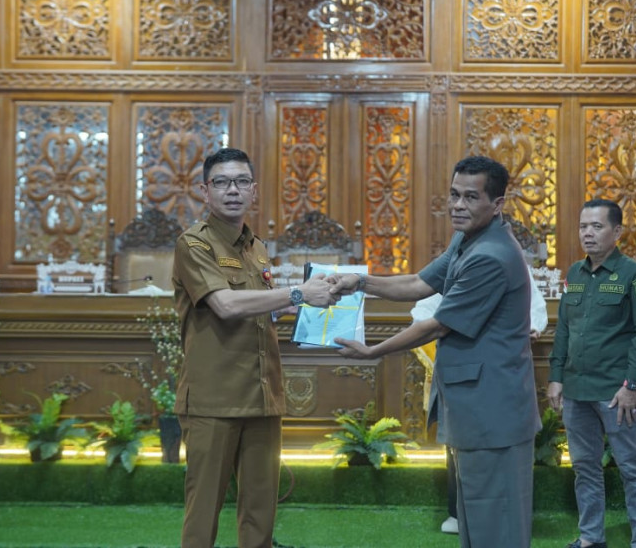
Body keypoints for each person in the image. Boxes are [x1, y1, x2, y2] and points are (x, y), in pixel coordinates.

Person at [329, 155, 541, 548]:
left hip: (492, 410)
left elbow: (437, 323)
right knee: (476, 520)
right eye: (454, 194)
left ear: (497, 204)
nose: (458, 205)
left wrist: (373, 352)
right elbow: (418, 283)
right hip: (476, 407)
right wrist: (360, 282)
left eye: (471, 197)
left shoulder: (492, 256)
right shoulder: (469, 238)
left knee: (496, 525)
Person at [172, 148, 339, 548]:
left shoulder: (257, 247)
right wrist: (298, 293)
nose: (233, 191)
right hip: (214, 399)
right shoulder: (194, 245)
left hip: (263, 396)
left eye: (241, 182)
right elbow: (226, 306)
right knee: (202, 515)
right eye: (222, 182)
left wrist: (297, 305)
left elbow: (261, 307)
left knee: (261, 512)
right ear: (204, 191)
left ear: (254, 190)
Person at [547, 198, 636, 548]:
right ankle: (591, 538)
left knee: (633, 470)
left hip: (616, 393)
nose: (588, 234)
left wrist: (632, 386)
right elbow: (563, 329)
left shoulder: (635, 275)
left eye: (597, 226)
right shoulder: (574, 275)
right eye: (583, 226)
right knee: (585, 468)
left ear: (617, 231)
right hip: (577, 390)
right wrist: (555, 376)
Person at [438, 262, 548, 535]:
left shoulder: (508, 262)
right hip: (462, 376)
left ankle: (508, 519)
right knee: (462, 448)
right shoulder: (453, 265)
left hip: (503, 374)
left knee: (506, 450)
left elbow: (535, 309)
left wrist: (533, 327)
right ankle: (458, 514)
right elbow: (426, 310)